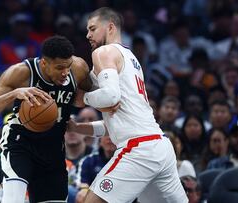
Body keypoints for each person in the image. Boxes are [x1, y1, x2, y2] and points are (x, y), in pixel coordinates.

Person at [69, 7, 187, 203]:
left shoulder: (103, 52)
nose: (87, 35)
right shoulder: (131, 59)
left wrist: (85, 99)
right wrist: (77, 128)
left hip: (138, 149)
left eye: (92, 28)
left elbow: (110, 98)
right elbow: (116, 123)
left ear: (110, 27)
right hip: (160, 146)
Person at [0, 35, 91, 203]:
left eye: (67, 66)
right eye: (59, 68)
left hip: (53, 149)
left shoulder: (78, 68)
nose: (65, 72)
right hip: (20, 144)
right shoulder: (21, 73)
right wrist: (13, 94)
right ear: (44, 63)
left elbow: (92, 98)